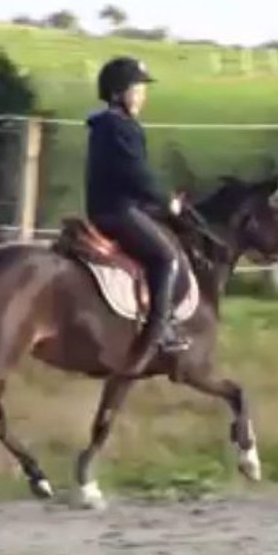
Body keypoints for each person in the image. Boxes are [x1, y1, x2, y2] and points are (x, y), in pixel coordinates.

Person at [84, 56, 192, 363]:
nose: (142, 95)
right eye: (137, 88)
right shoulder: (121, 127)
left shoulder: (108, 125)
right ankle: (160, 329)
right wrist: (166, 201)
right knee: (166, 256)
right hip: (118, 212)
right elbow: (136, 175)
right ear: (118, 93)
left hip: (113, 206)